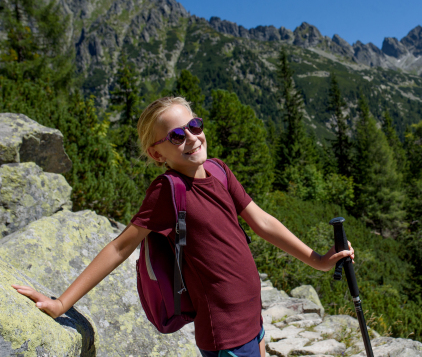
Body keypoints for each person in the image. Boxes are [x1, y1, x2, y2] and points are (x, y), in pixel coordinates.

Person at [13, 96, 354, 357]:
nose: (192, 137)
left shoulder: (219, 171)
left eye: (194, 125)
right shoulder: (167, 191)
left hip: (252, 316)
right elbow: (120, 248)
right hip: (225, 332)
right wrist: (61, 304)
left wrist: (318, 260)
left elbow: (262, 221)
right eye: (176, 136)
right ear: (157, 153)